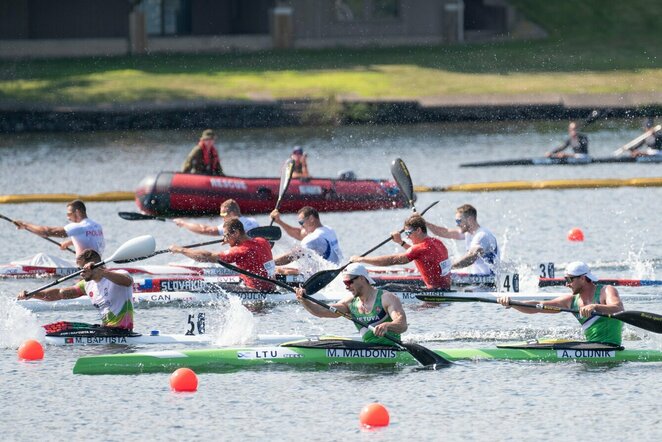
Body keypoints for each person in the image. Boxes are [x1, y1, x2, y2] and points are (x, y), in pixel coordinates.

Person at [497, 262, 624, 345]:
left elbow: (617, 307)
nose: (566, 284)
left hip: (611, 347)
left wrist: (595, 306)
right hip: (591, 347)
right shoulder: (570, 301)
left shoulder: (606, 291)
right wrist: (512, 303)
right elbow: (538, 306)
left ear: (583, 278)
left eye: (569, 279)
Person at [18, 249, 134, 330]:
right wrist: (33, 295)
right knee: (59, 327)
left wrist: (101, 271)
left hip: (122, 331)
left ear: (94, 265)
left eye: (81, 269)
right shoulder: (86, 285)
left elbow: (127, 281)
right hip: (106, 330)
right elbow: (59, 294)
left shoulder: (119, 275)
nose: (80, 273)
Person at [294, 263, 407, 346]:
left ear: (362, 278)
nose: (346, 286)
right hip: (368, 348)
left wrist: (387, 326)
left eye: (349, 282)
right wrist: (304, 300)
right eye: (344, 283)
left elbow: (402, 325)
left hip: (391, 348)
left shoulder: (386, 298)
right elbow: (321, 311)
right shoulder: (350, 303)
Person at [169, 218, 275, 291]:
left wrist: (181, 250)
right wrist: (232, 242)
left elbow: (207, 257)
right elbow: (252, 254)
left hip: (254, 292)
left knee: (206, 286)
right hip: (271, 288)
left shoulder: (240, 251)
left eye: (226, 235)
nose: (225, 239)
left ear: (236, 233)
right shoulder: (263, 241)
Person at [351, 214, 451, 290]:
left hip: (432, 292)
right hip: (445, 289)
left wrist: (361, 259)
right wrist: (400, 242)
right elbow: (419, 253)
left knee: (386, 289)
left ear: (419, 230)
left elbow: (392, 260)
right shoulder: (437, 242)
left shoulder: (419, 249)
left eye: (408, 233)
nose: (407, 236)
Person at [13, 199, 105, 257]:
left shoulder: (78, 226)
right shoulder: (96, 226)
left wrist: (25, 225)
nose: (68, 218)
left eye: (69, 214)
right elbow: (90, 239)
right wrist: (69, 243)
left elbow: (47, 232)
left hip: (86, 271)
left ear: (77, 212)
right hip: (98, 266)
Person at [426, 204, 499, 276]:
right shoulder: (468, 233)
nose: (457, 224)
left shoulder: (482, 235)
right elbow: (445, 232)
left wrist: (448, 267)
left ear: (470, 219)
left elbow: (471, 257)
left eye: (458, 221)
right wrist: (424, 223)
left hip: (490, 282)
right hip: (478, 279)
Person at [270, 206, 342, 269]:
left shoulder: (313, 238)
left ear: (311, 218)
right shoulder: (328, 229)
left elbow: (292, 256)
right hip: (335, 268)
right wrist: (279, 221)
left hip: (322, 276)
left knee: (280, 271)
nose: (301, 226)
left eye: (301, 222)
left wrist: (269, 263)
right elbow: (298, 233)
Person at [173, 199, 258, 236]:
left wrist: (183, 223)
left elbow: (204, 230)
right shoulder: (254, 221)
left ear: (232, 214)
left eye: (223, 215)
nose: (222, 218)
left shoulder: (230, 226)